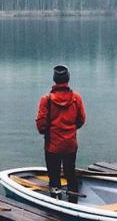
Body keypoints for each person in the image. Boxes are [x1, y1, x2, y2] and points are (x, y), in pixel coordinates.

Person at [35, 65, 86, 202]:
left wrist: (46, 132)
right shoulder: (76, 98)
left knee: (54, 175)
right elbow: (81, 120)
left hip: (52, 144)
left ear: (54, 79)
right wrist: (71, 129)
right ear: (68, 79)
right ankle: (73, 203)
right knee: (70, 173)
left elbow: (41, 123)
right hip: (70, 143)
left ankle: (56, 202)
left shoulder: (46, 99)